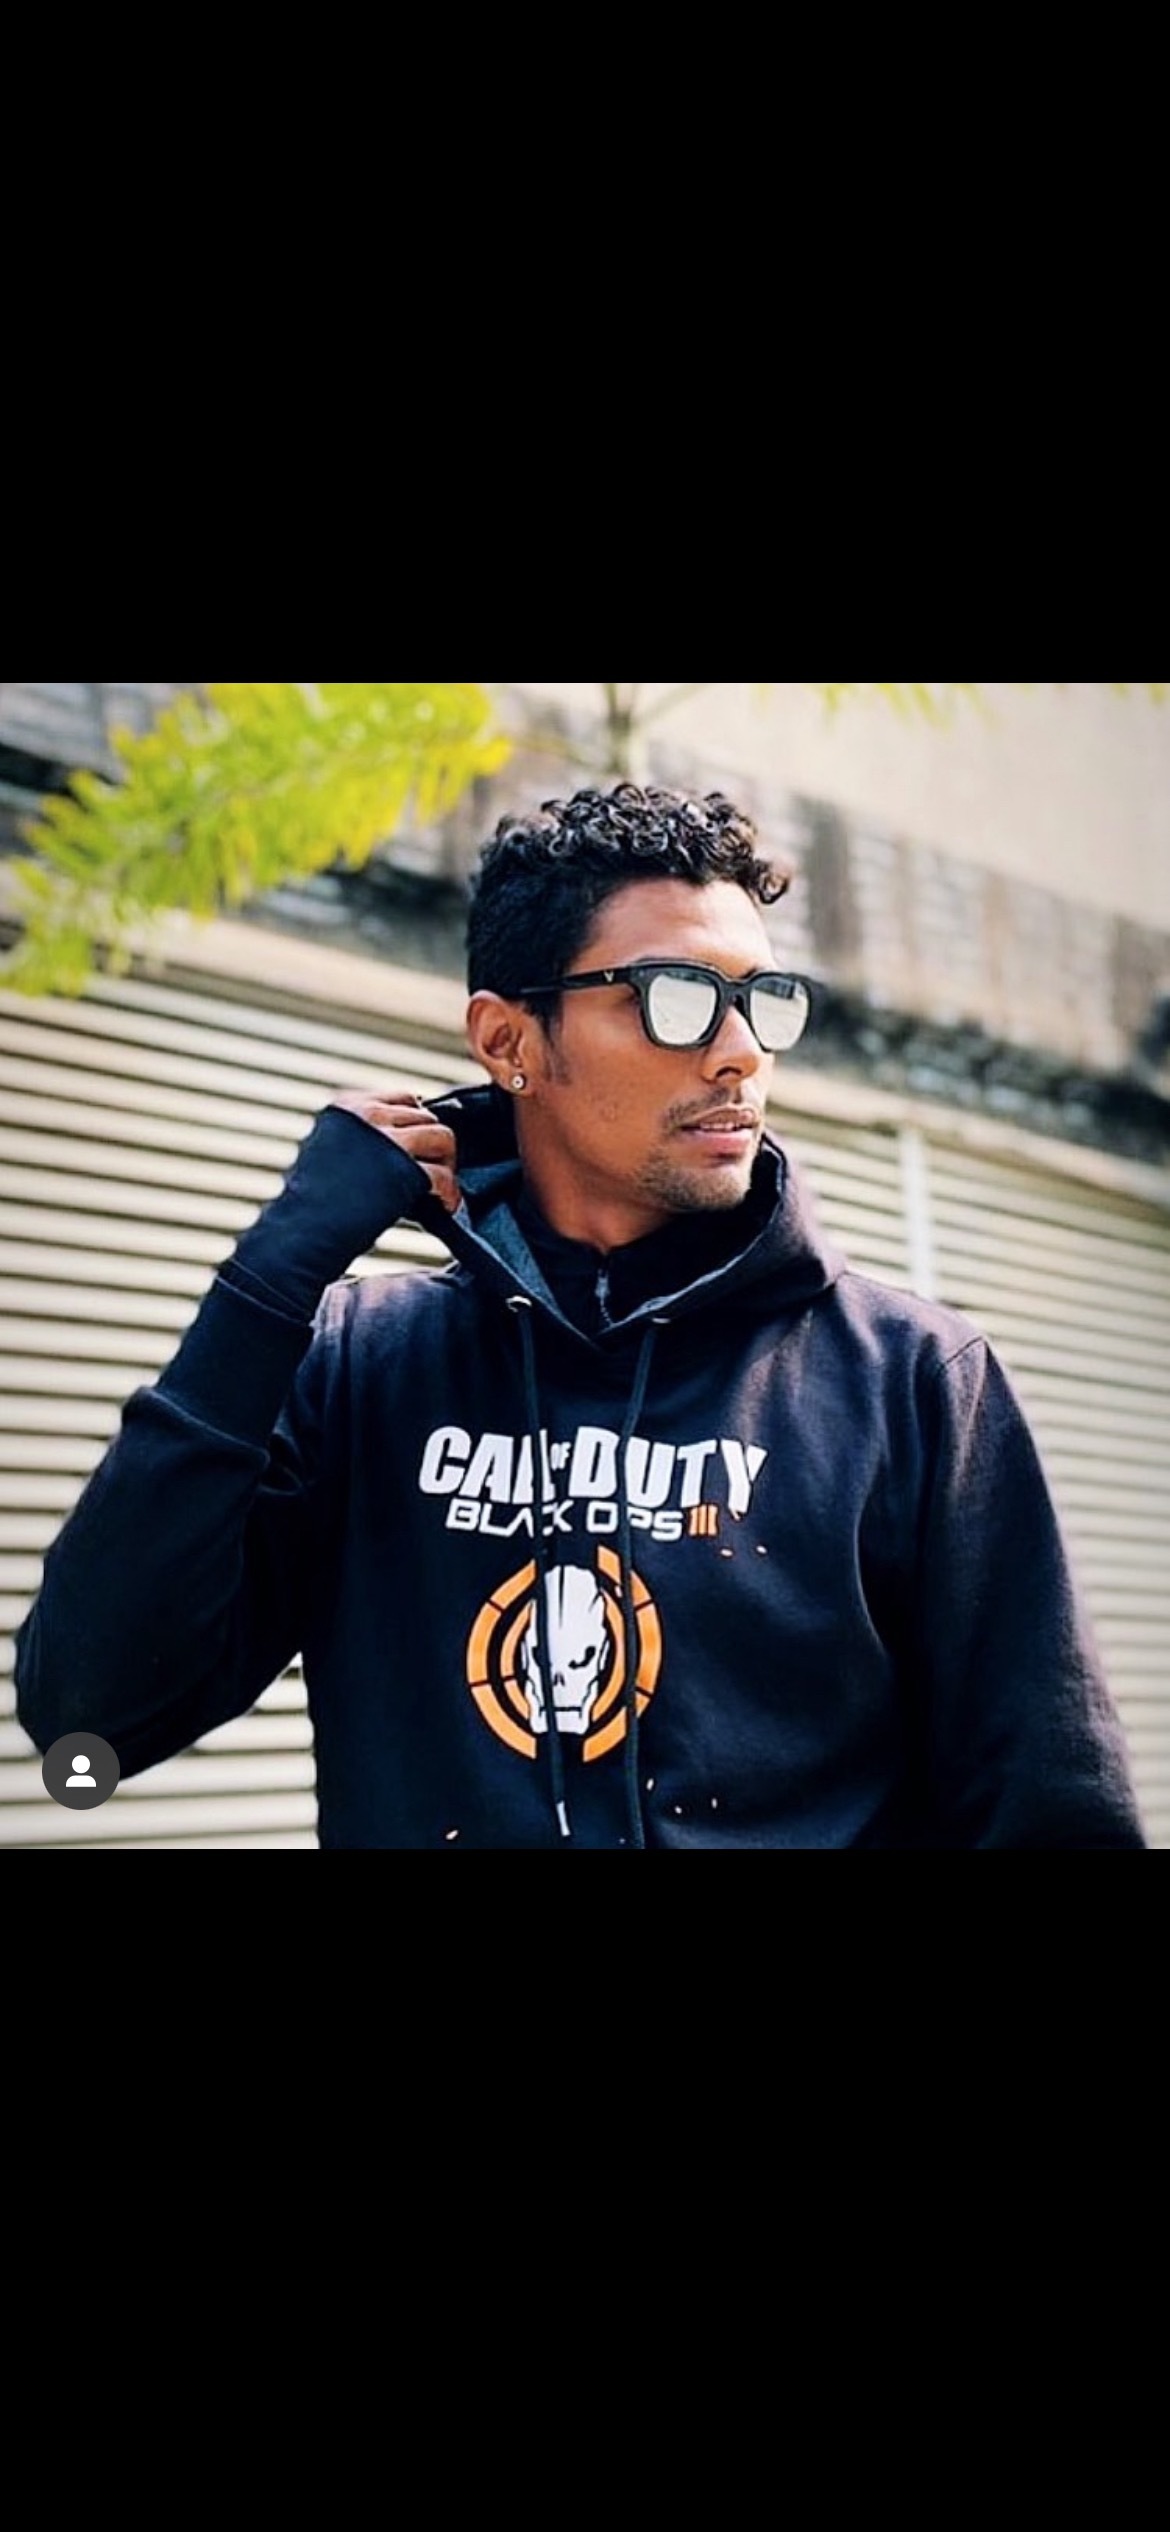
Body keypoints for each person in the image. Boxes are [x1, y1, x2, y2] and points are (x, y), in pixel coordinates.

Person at [15, 783, 1147, 1849]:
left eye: (762, 1001)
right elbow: (87, 1730)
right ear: (510, 1042)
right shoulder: (360, 1369)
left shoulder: (909, 1379)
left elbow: (1053, 1813)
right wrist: (269, 1281)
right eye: (676, 999)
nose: (740, 1053)